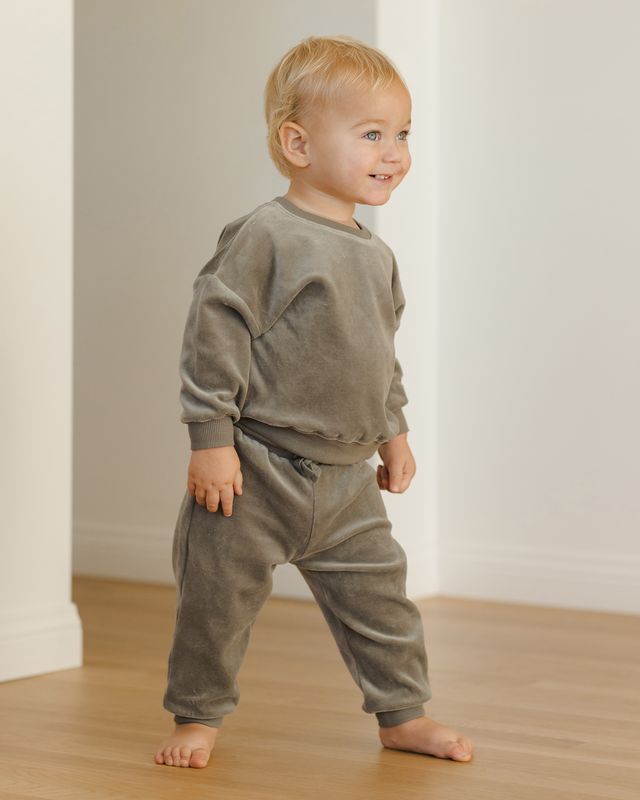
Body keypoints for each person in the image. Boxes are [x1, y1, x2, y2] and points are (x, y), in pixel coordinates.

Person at [155, 34, 475, 769]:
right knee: (215, 604)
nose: (394, 152)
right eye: (372, 134)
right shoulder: (267, 236)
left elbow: (378, 357)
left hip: (347, 483)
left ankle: (402, 714)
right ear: (298, 144)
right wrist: (210, 439)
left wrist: (394, 432)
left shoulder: (376, 255)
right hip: (255, 473)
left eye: (403, 134)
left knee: (382, 603)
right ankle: (196, 718)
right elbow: (214, 333)